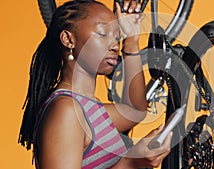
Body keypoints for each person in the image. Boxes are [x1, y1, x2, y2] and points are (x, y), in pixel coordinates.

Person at [18, 0, 173, 168]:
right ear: (68, 39)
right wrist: (130, 163)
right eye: (102, 34)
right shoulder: (66, 111)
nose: (115, 45)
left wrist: (131, 42)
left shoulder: (86, 106)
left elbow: (135, 110)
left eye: (116, 36)